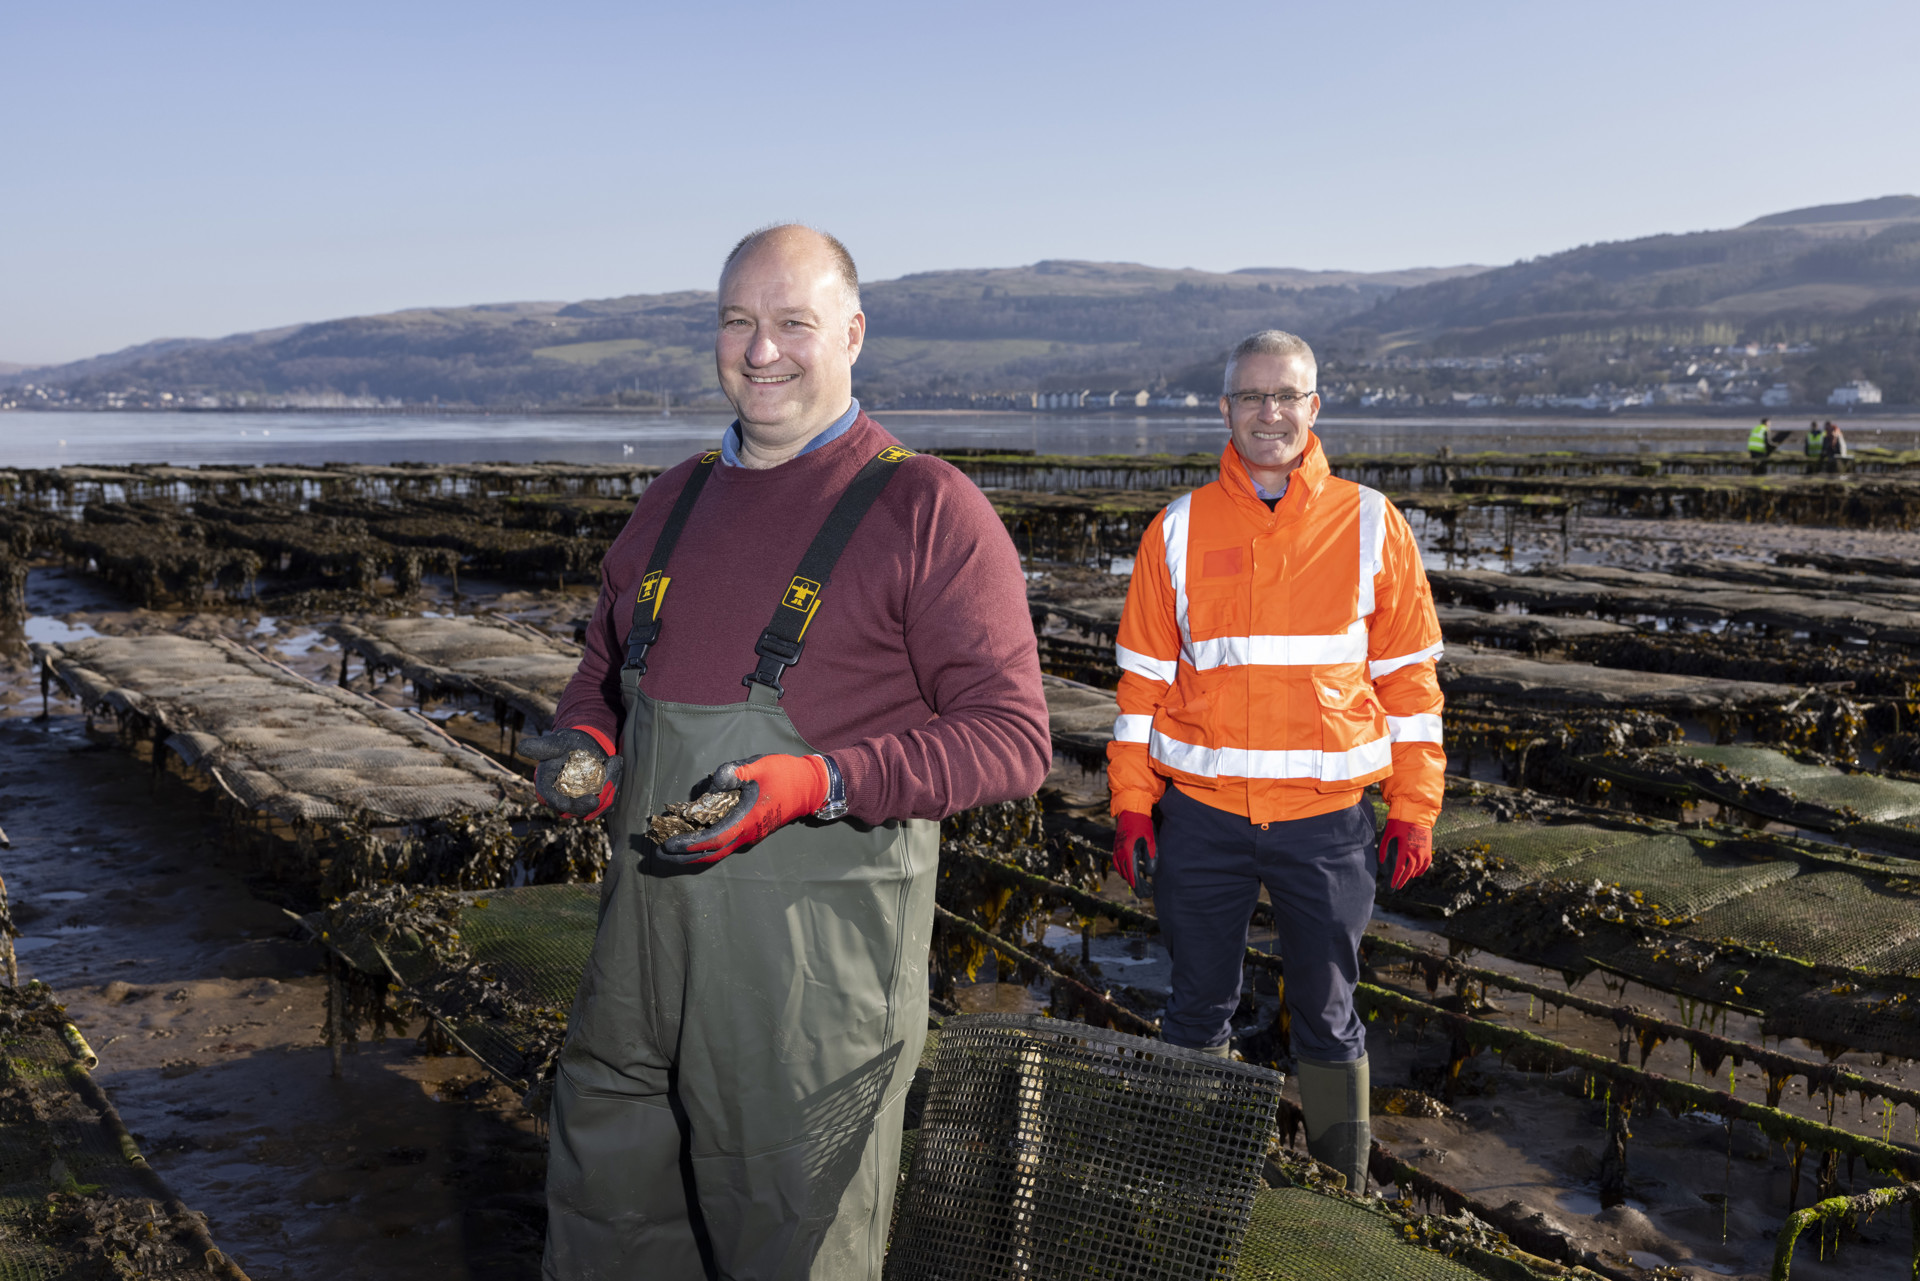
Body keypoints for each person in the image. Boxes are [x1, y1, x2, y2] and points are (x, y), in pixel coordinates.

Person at [524, 224, 1050, 1279]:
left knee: (791, 1247)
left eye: (793, 325)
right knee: (608, 1228)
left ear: (852, 335)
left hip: (809, 995)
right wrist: (586, 738)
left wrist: (828, 778)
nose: (761, 351)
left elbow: (1014, 740)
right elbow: (603, 667)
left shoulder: (927, 507)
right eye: (738, 323)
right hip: (638, 967)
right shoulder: (670, 499)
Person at [1105, 329, 1445, 1193]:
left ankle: (1345, 1196)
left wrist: (1414, 807)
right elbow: (1140, 687)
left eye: (1287, 396)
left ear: (1314, 408)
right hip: (1204, 820)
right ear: (1224, 410)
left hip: (1327, 824)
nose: (1270, 413)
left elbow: (1411, 687)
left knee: (1330, 1019)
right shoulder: (1176, 531)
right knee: (1194, 1011)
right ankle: (1199, 1182)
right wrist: (1132, 804)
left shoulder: (1374, 524)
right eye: (1252, 397)